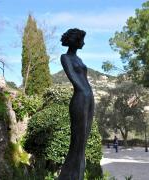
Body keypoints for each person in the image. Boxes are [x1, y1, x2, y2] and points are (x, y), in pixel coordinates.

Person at [58, 28, 94, 180]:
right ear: (75, 41)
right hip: (80, 98)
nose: (84, 43)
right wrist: (85, 93)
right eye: (82, 40)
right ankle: (69, 175)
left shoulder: (79, 59)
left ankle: (77, 175)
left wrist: (89, 95)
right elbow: (74, 79)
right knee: (77, 141)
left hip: (89, 97)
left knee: (83, 140)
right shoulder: (65, 57)